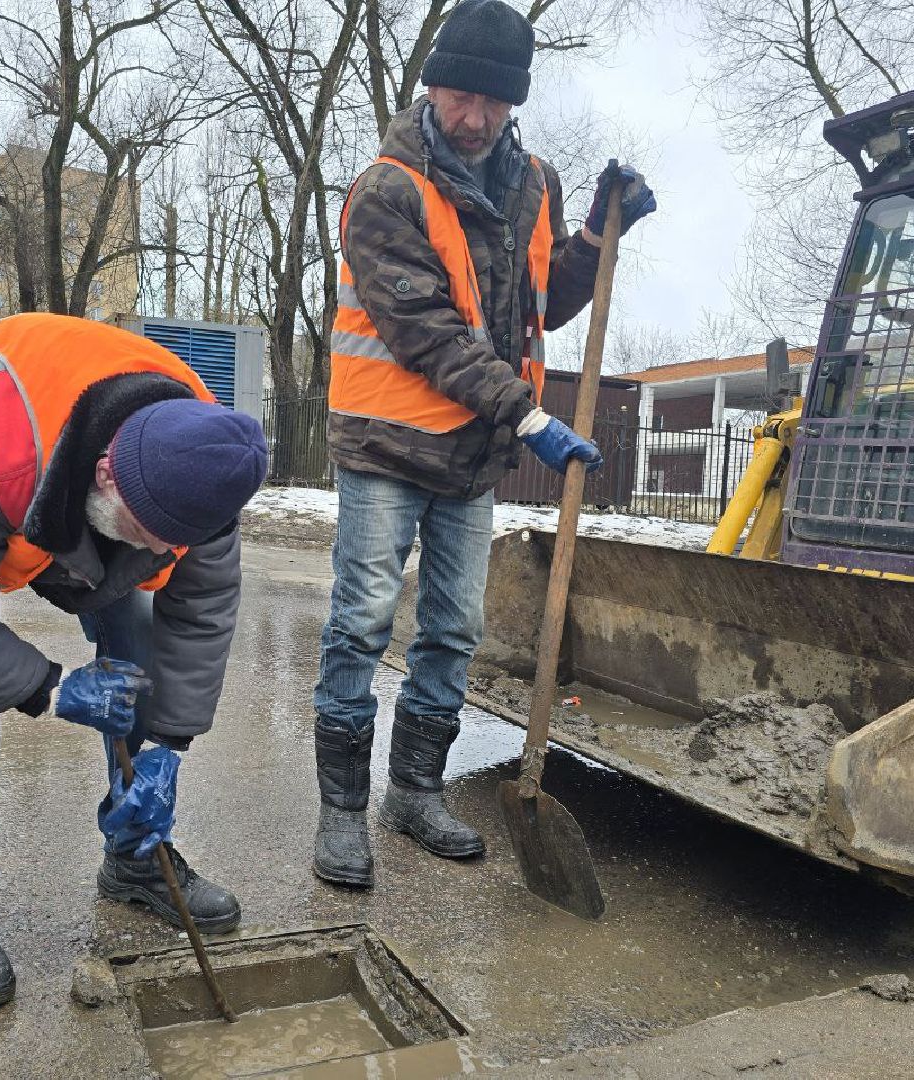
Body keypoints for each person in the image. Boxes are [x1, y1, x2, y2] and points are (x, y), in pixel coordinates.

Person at [312, 0, 655, 887]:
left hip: (470, 454)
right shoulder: (388, 189)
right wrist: (532, 417)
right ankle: (341, 812)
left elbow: (542, 303)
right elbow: (427, 330)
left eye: (492, 105)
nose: (474, 119)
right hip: (386, 446)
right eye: (460, 97)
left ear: (514, 105)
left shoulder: (530, 181)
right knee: (359, 625)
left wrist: (592, 239)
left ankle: (415, 791)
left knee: (455, 629)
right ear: (433, 88)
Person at [0, 312, 268, 1009]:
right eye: (147, 536)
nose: (159, 551)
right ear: (106, 475)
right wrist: (50, 688)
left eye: (172, 543)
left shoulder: (204, 468)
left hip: (70, 482)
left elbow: (200, 616)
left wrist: (167, 750)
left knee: (144, 633)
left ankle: (134, 855)